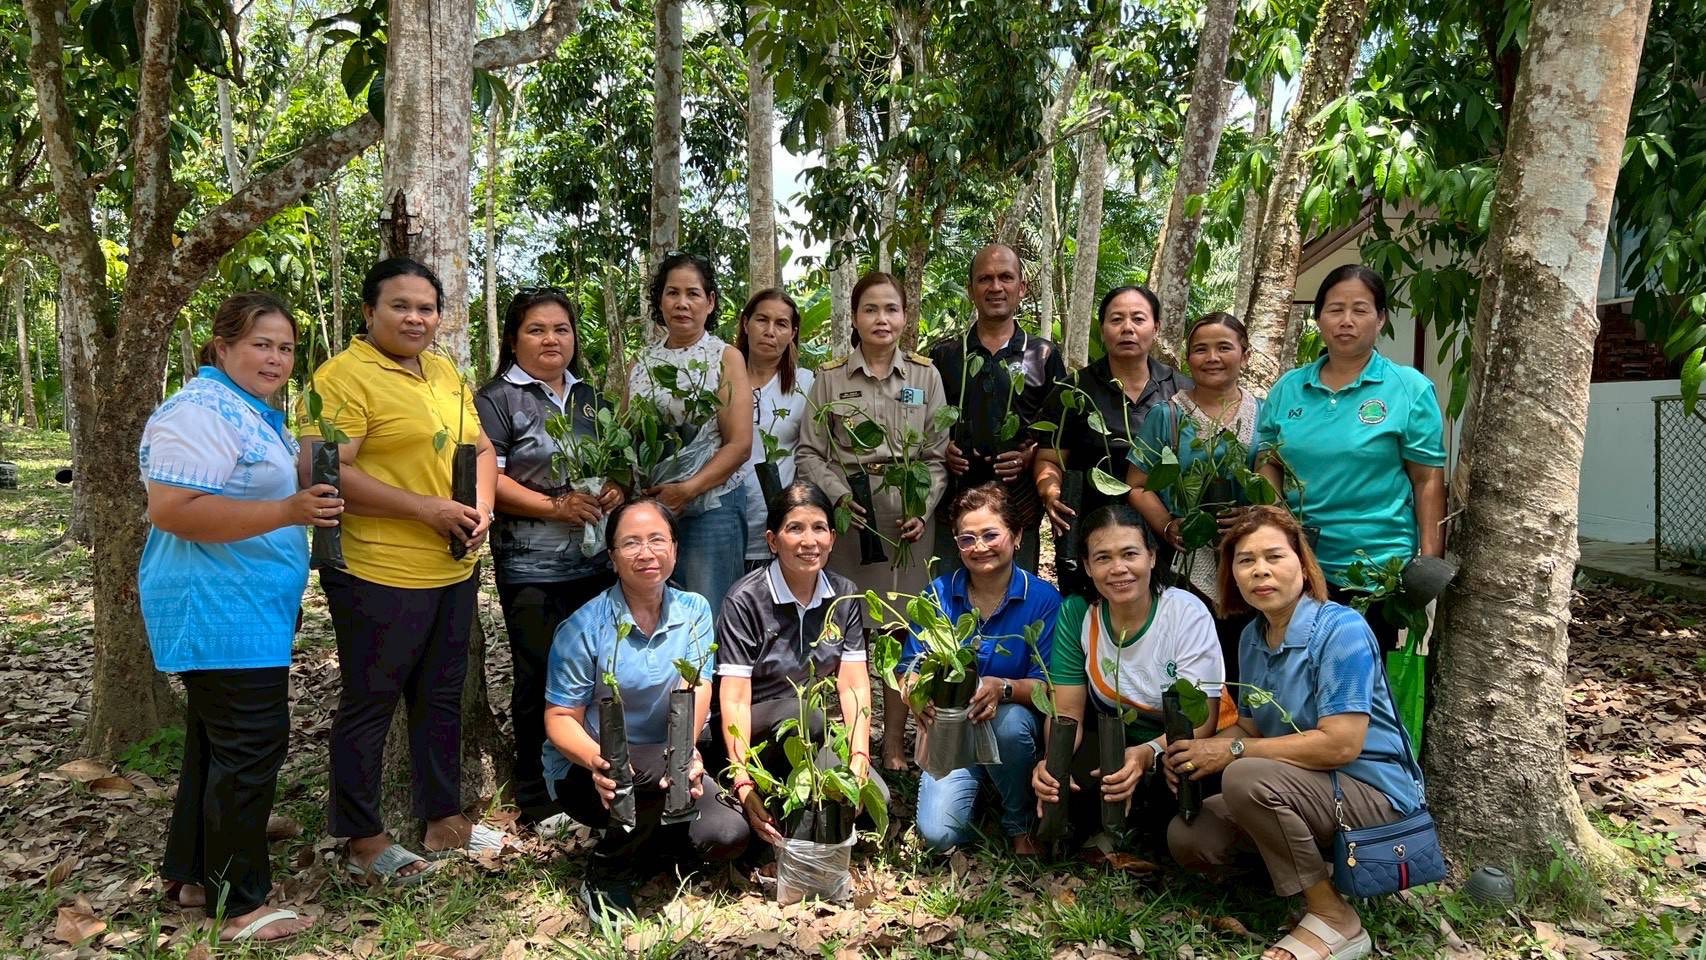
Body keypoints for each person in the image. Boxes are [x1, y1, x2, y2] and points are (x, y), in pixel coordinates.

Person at [140, 293, 334, 942]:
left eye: (285, 347)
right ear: (221, 346)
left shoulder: (250, 411)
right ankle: (242, 904)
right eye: (261, 344)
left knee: (216, 748)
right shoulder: (198, 410)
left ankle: (193, 877)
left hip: (244, 607)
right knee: (250, 749)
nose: (276, 358)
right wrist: (289, 514)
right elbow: (173, 508)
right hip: (216, 607)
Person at [300, 257, 502, 884]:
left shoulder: (445, 372)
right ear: (369, 312)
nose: (416, 318)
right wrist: (426, 509)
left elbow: (484, 450)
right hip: (375, 569)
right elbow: (323, 471)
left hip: (451, 567)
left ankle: (443, 816)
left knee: (441, 696)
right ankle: (363, 837)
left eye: (427, 307)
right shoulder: (341, 378)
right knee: (372, 701)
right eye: (400, 306)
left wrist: (481, 510)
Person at [1166, 505, 1425, 960]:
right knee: (1192, 837)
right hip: (1305, 790)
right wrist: (1199, 751)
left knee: (1245, 777)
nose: (1259, 570)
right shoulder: (1251, 635)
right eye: (1245, 561)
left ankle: (1335, 919)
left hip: (1374, 792)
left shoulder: (1341, 629)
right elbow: (1248, 723)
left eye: (1274, 557)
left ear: (1303, 567)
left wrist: (1235, 753)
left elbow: (1342, 743)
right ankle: (1311, 880)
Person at [543, 498, 748, 919]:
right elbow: (560, 719)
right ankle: (606, 872)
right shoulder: (586, 627)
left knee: (726, 834)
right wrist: (599, 763)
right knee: (651, 771)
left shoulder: (694, 610)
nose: (647, 553)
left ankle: (649, 841)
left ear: (675, 547)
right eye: (631, 543)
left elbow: (699, 685)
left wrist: (687, 749)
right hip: (592, 769)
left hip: (666, 756)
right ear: (612, 556)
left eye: (657, 539)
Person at [475, 288, 624, 828]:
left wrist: (614, 488)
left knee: (594, 676)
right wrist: (555, 507)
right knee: (538, 675)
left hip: (594, 566)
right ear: (514, 339)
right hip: (530, 565)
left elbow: (617, 463)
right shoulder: (496, 399)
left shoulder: (591, 399)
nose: (551, 339)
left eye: (561, 329)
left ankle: (587, 784)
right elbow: (487, 475)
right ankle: (538, 797)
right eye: (537, 329)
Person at [797, 270, 950, 771]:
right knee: (852, 624)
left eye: (891, 309)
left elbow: (935, 455)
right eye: (871, 310)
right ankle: (845, 735)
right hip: (853, 516)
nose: (882, 319)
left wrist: (921, 506)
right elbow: (809, 452)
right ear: (855, 319)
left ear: (906, 317)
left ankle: (893, 742)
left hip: (906, 517)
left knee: (902, 627)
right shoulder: (831, 378)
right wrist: (838, 496)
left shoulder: (925, 376)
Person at [1255, 265, 1447, 651]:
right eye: (1334, 309)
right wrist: (1278, 527)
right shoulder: (1288, 388)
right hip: (1298, 567)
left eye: (1360, 310)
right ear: (1318, 317)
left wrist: (1429, 561)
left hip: (1375, 573)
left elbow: (1427, 479)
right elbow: (1267, 462)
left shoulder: (1408, 389)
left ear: (1380, 319)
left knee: (1359, 684)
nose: (1346, 321)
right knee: (1295, 671)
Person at [1029, 505, 1224, 847]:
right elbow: (1068, 710)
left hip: (1179, 745)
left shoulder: (1185, 612)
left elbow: (1202, 720)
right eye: (1103, 558)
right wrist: (1051, 763)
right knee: (1067, 782)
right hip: (1114, 743)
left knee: (1180, 788)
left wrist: (1147, 754)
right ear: (1088, 567)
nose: (1118, 569)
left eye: (1130, 554)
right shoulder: (1078, 614)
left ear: (1151, 556)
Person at [715, 481, 887, 847]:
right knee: (802, 714)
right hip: (757, 730)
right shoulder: (744, 600)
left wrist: (859, 755)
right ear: (773, 540)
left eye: (819, 528)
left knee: (874, 802)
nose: (809, 541)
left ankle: (793, 812)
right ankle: (756, 793)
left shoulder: (844, 595)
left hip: (812, 735)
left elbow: (854, 684)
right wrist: (742, 776)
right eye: (795, 528)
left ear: (832, 538)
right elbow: (734, 698)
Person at [908, 483, 1060, 855]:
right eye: (966, 539)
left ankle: (1019, 820)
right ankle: (973, 790)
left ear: (1017, 536)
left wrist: (1003, 688)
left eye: (991, 535)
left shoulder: (1043, 599)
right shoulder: (938, 596)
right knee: (938, 835)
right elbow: (908, 666)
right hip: (951, 730)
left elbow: (1050, 687)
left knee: (1009, 725)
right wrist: (914, 691)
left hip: (1010, 727)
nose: (979, 547)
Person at [1128, 312, 1263, 681]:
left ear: (1245, 355)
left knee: (1246, 666)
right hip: (1184, 567)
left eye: (1224, 348)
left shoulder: (1265, 414)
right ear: (1188, 359)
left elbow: (1273, 488)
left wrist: (1254, 515)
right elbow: (1138, 485)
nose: (1212, 357)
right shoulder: (1167, 415)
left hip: (1252, 566)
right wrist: (1169, 525)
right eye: (1201, 349)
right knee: (1188, 667)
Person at [1035, 285, 1191, 598]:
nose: (1127, 328)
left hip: (1164, 534)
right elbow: (1049, 459)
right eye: (1116, 319)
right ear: (1103, 328)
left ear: (1156, 327)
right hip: (1093, 533)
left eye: (1138, 319)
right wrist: (1051, 493)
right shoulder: (1074, 391)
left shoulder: (1181, 391)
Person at [928, 244, 1067, 576]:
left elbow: (1060, 431)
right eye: (984, 279)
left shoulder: (1044, 355)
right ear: (971, 289)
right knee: (951, 604)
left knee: (1017, 607)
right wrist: (941, 448)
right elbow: (923, 421)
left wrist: (1033, 455)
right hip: (954, 507)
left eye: (1006, 277)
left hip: (1017, 507)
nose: (995, 287)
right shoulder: (945, 355)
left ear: (1022, 287)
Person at [628, 253, 754, 613]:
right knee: (657, 610)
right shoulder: (642, 363)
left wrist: (687, 491)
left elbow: (740, 443)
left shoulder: (724, 357)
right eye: (672, 293)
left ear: (710, 301)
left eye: (693, 293)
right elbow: (625, 439)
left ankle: (710, 674)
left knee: (707, 611)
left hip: (711, 509)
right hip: (654, 510)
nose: (682, 303)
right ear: (660, 300)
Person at [735, 288, 817, 570]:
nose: (770, 331)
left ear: (793, 332)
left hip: (779, 530)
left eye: (781, 324)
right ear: (746, 324)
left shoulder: (806, 385)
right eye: (762, 320)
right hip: (724, 527)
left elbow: (813, 454)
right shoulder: (719, 380)